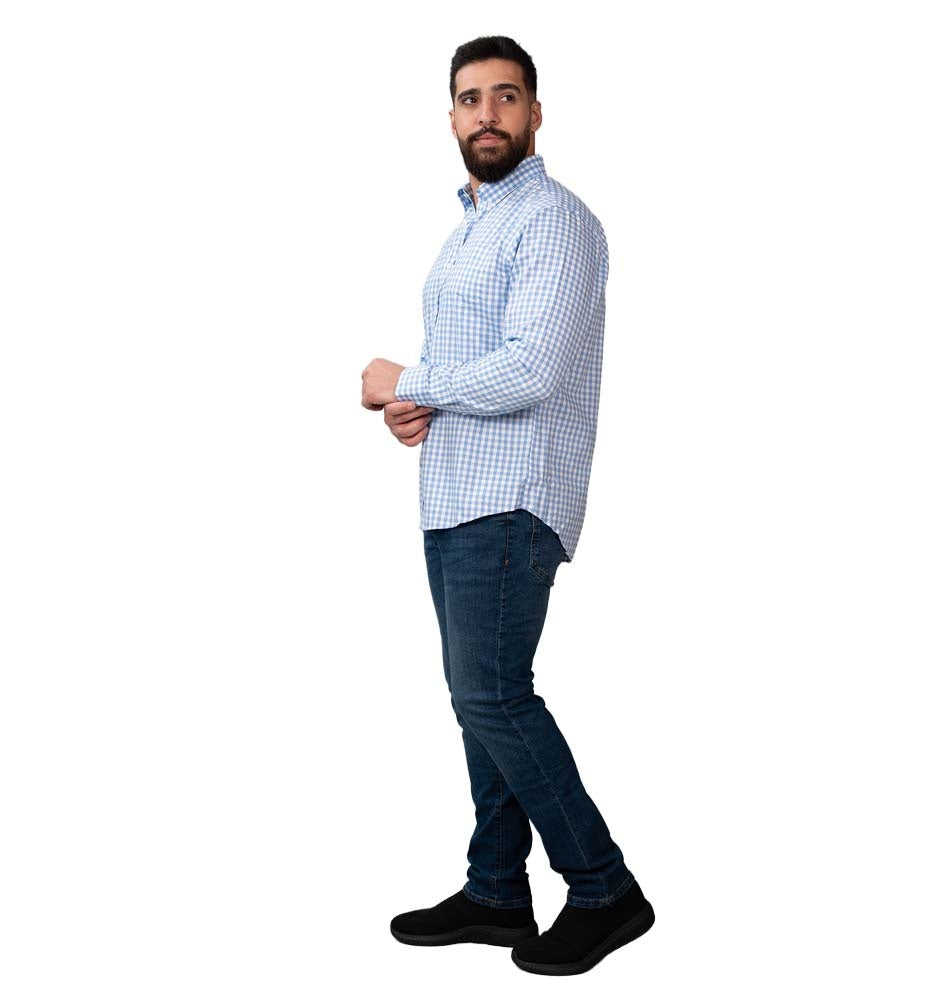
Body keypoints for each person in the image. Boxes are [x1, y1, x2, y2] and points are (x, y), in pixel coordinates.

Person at [360, 35, 654, 976]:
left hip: (511, 498)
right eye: (469, 98)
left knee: (494, 695)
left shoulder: (554, 219)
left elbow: (532, 368)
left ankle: (605, 889)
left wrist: (408, 378)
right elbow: (476, 367)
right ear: (451, 117)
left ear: (535, 112)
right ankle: (496, 890)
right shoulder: (471, 228)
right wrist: (415, 408)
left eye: (506, 96)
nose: (486, 113)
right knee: (476, 702)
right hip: (453, 495)